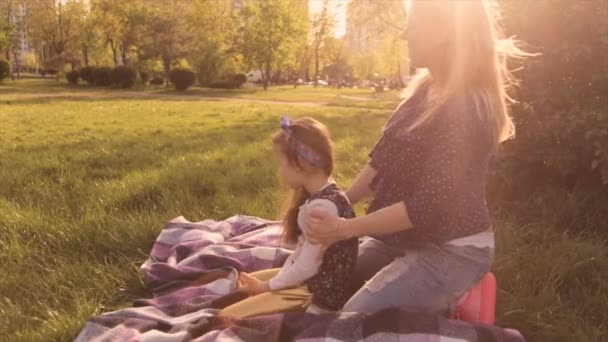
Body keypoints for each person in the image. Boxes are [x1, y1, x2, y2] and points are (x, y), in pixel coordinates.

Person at [303, 0, 530, 315]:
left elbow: (424, 207)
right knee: (326, 281)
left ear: (445, 31)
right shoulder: (422, 93)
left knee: (351, 320)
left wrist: (343, 229)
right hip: (402, 240)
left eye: (415, 26)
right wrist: (331, 204)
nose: (404, 36)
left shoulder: (467, 107)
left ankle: (462, 298)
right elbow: (379, 164)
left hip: (452, 252)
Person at [219, 116, 358, 318]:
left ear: (300, 163)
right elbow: (301, 257)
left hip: (316, 297)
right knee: (238, 286)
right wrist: (271, 283)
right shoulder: (326, 193)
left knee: (229, 316)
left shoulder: (321, 209)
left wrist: (265, 288)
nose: (280, 171)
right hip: (307, 283)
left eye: (282, 164)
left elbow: (306, 268)